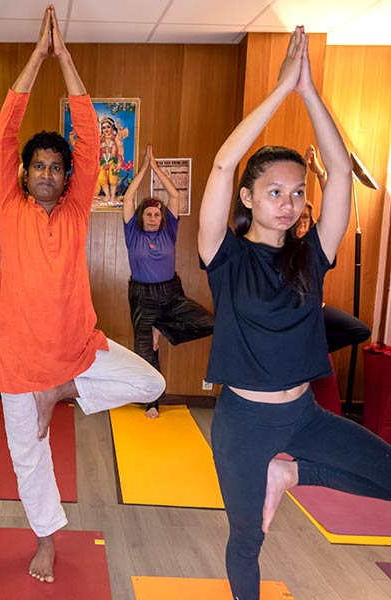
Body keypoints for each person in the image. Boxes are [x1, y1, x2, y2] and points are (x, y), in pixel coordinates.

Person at [197, 26, 391, 600]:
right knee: (246, 539)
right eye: (274, 192)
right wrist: (280, 89)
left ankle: (292, 473)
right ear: (249, 199)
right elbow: (221, 164)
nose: (289, 203)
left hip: (303, 415)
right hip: (243, 423)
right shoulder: (223, 256)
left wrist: (310, 91)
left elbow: (339, 167)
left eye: (298, 193)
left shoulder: (312, 258)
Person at [0, 5, 164, 584]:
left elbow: (88, 137)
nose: (45, 173)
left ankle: (63, 390)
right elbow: (3, 134)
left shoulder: (75, 211)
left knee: (152, 382)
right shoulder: (8, 207)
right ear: (23, 174)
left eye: (54, 167)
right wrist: (36, 55)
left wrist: (64, 58)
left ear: (68, 178)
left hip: (77, 351)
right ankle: (46, 539)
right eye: (36, 166)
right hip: (18, 361)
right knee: (27, 458)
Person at [122, 144, 214, 418]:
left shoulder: (169, 231)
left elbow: (174, 195)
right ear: (142, 217)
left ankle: (163, 328)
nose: (152, 218)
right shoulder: (132, 234)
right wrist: (142, 170)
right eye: (148, 214)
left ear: (163, 218)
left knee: (210, 323)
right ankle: (152, 401)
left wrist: (156, 169)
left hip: (171, 294)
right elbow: (127, 200)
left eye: (156, 214)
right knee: (144, 352)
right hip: (142, 297)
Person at [296, 146, 370, 353]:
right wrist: (301, 169)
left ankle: (310, 351)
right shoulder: (281, 241)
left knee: (360, 330)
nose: (303, 221)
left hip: (314, 306)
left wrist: (320, 173)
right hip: (292, 310)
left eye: (306, 217)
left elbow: (333, 207)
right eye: (299, 216)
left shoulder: (315, 241)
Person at [97, 115, 128, 201]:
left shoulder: (116, 138)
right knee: (101, 178)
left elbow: (120, 150)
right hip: (103, 161)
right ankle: (107, 195)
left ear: (112, 128)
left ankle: (113, 196)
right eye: (103, 128)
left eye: (108, 127)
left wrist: (119, 162)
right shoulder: (100, 139)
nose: (106, 129)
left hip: (113, 161)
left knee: (113, 179)